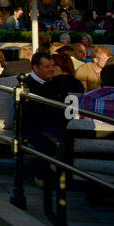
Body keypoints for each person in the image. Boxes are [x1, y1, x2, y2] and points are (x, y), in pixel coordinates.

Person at [21, 51, 86, 185]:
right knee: (53, 137)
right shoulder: (26, 85)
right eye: (47, 66)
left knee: (72, 134)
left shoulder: (56, 82)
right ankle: (46, 175)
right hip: (34, 125)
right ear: (35, 68)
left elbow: (66, 101)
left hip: (57, 122)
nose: (51, 69)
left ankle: (67, 175)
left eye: (52, 65)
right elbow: (31, 114)